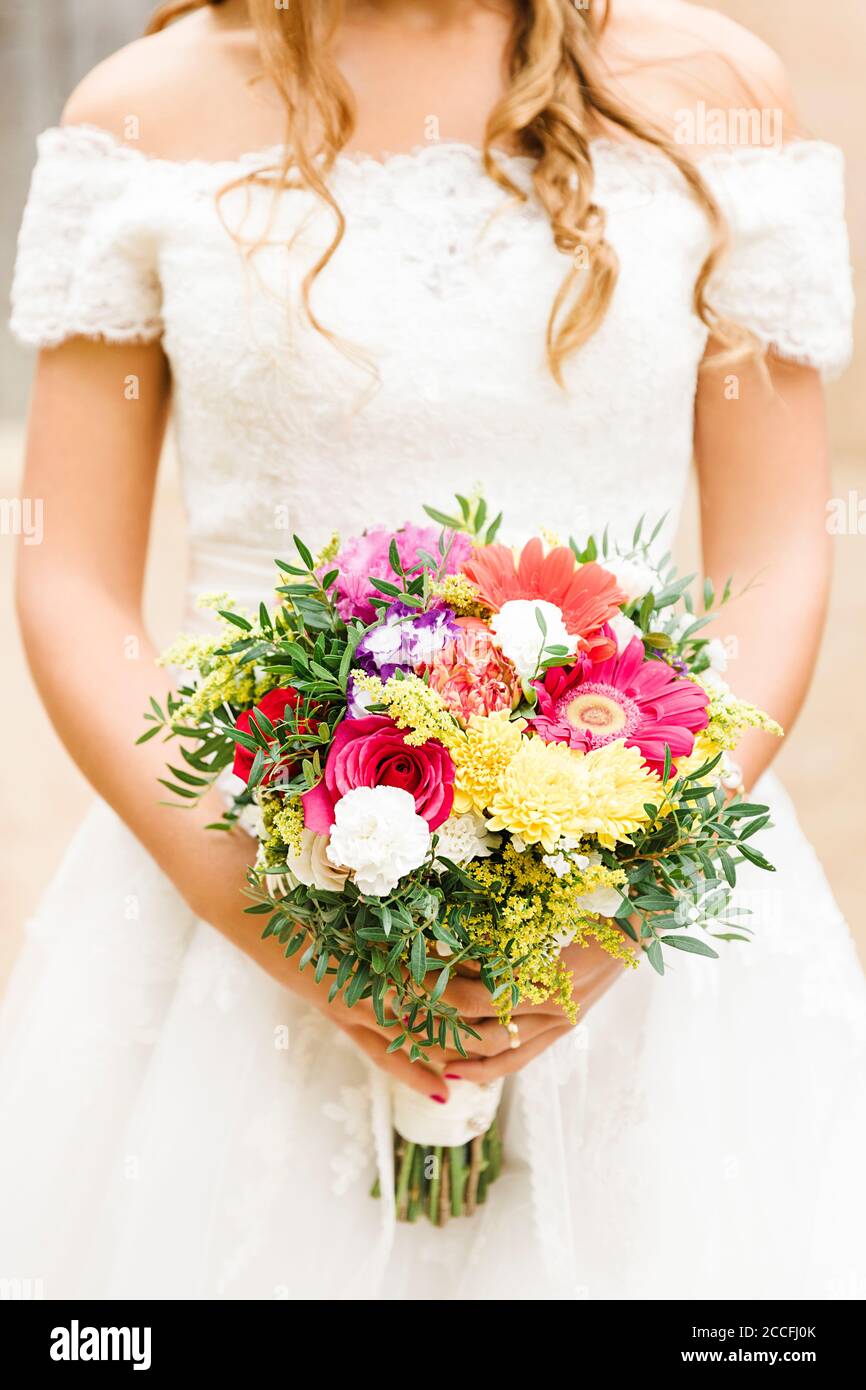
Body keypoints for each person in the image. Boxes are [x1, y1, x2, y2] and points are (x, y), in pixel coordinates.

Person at [3, 0, 863, 1298]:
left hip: (640, 908)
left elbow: (775, 557)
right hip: (233, 894)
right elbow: (71, 578)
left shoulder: (711, 92)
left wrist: (608, 910)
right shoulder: (141, 116)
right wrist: (271, 916)